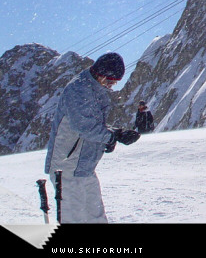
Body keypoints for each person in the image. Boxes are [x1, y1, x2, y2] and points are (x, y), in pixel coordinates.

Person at [44, 52, 140, 223]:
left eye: (115, 82)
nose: (111, 86)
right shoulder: (78, 90)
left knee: (96, 217)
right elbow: (85, 128)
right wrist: (112, 137)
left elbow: (93, 123)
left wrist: (116, 133)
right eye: (110, 81)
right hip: (66, 167)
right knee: (74, 219)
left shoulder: (94, 89)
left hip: (84, 166)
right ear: (100, 73)